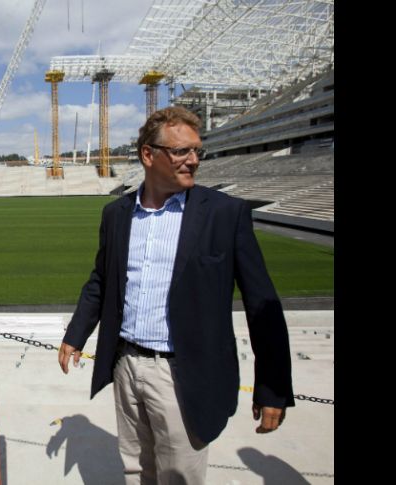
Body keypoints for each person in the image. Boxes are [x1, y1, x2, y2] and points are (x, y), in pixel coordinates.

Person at [57, 106, 294, 485]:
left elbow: (262, 304)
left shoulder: (224, 214)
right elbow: (102, 279)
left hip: (183, 373)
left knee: (179, 476)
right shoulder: (116, 214)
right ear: (148, 155)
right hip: (126, 364)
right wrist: (76, 333)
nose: (193, 160)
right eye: (182, 151)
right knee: (135, 469)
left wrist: (273, 388)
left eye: (197, 151)